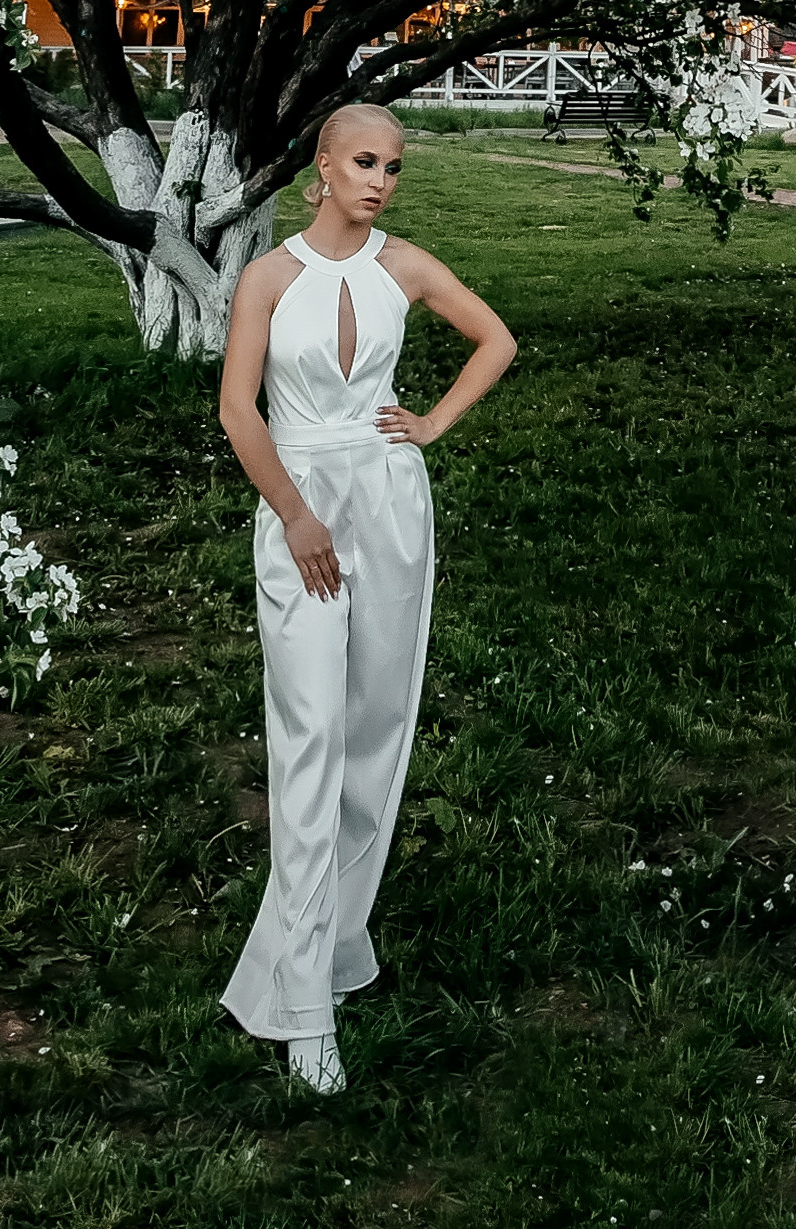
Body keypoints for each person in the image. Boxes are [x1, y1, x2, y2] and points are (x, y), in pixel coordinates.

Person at [216, 100, 517, 1092]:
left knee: (373, 734)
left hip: (390, 508)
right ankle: (305, 1014)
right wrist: (295, 516)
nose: (379, 180)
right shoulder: (266, 277)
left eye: (391, 165)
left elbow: (497, 342)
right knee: (306, 738)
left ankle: (331, 946)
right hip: (301, 507)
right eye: (362, 161)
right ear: (321, 165)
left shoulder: (406, 266)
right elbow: (235, 410)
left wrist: (428, 425)